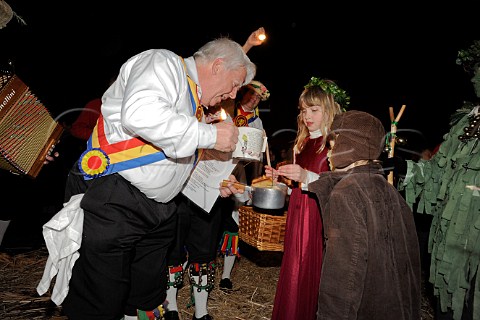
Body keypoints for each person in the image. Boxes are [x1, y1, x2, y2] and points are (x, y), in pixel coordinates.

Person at [43, 36, 256, 320]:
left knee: (144, 301)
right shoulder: (163, 62)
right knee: (101, 299)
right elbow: (141, 114)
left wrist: (215, 183)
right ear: (217, 66)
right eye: (234, 84)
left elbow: (170, 162)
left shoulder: (193, 103)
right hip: (118, 200)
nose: (232, 94)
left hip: (159, 213)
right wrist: (211, 135)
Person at [163, 27, 266, 320]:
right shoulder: (190, 97)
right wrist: (247, 44)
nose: (230, 94)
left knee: (205, 250)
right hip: (179, 185)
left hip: (213, 185)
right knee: (173, 248)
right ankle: (170, 306)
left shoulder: (236, 113)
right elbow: (227, 69)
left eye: (235, 91)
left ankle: (202, 311)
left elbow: (232, 73)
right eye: (233, 90)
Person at [308, 110, 421, 320]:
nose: (329, 154)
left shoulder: (346, 194)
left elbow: (343, 276)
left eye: (333, 145)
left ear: (348, 146)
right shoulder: (393, 193)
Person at [396, 40, 480, 320]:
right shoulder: (466, 121)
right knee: (448, 305)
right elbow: (439, 172)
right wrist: (400, 167)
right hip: (450, 242)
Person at [265, 77, 347, 320]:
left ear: (329, 109)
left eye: (314, 109)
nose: (307, 116)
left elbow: (338, 186)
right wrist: (282, 180)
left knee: (307, 271)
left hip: (319, 220)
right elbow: (299, 189)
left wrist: (305, 175)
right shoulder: (302, 144)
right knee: (293, 270)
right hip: (298, 216)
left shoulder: (334, 144)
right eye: (303, 110)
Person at [216, 79, 270, 292]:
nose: (255, 99)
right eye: (252, 95)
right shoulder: (226, 108)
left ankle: (226, 276)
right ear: (243, 94)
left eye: (258, 98)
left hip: (238, 173)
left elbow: (258, 153)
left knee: (235, 221)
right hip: (215, 168)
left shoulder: (257, 121)